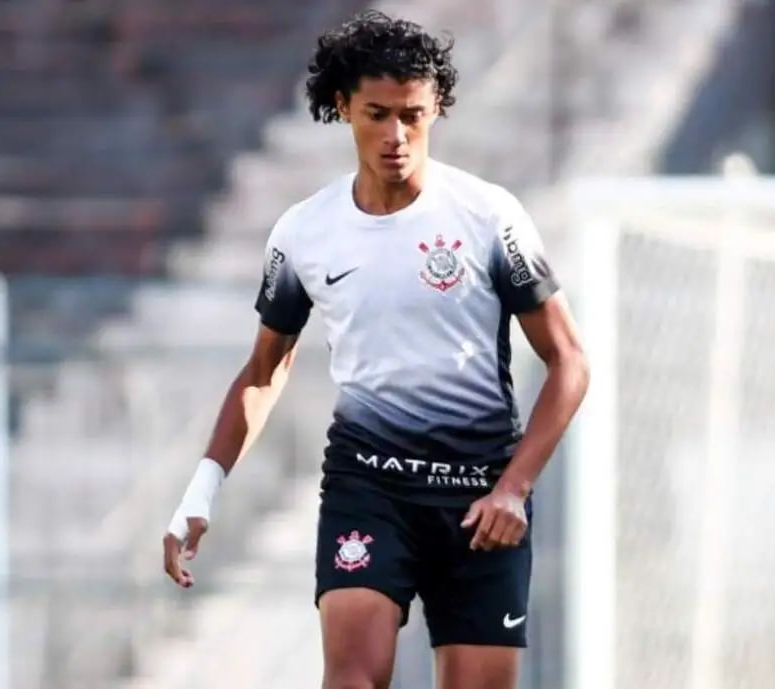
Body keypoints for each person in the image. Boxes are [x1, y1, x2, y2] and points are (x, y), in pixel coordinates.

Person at [160, 10, 590, 689]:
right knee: (352, 678)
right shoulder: (305, 232)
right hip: (370, 486)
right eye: (377, 115)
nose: (396, 136)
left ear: (436, 107)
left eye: (412, 116)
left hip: (479, 497)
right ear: (343, 107)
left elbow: (569, 360)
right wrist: (201, 490)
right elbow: (264, 370)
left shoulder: (490, 217)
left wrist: (514, 487)